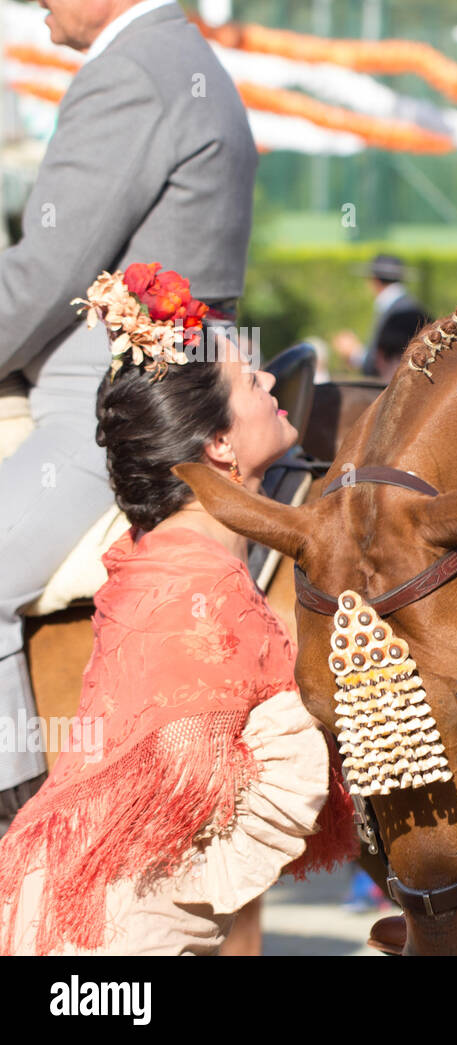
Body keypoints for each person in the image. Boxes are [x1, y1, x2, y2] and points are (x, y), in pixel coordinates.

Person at [0, 266, 353, 956]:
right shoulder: (194, 587)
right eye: (254, 382)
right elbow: (273, 783)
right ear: (218, 446)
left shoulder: (164, 555)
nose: (275, 383)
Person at [0, 0, 258, 830]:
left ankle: (19, 834)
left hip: (109, 407)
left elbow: (43, 275)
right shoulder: (177, 55)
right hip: (157, 379)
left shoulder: (130, 73)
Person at [339, 254, 430, 378]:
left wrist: (354, 354)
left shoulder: (397, 312)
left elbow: (380, 362)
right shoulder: (411, 307)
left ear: (374, 280)